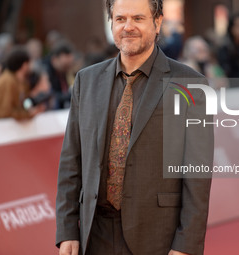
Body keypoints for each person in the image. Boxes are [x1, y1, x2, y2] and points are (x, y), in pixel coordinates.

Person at [56, 0, 213, 255]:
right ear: (112, 23)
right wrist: (66, 232)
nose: (128, 27)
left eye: (138, 19)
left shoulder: (189, 84)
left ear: (158, 21)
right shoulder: (87, 81)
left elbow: (197, 175)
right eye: (120, 19)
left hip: (157, 237)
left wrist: (186, 246)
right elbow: (71, 163)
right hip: (94, 236)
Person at [0, 47, 44, 120]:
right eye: (30, 63)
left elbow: (24, 102)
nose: (31, 66)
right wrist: (27, 114)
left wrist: (32, 108)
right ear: (24, 65)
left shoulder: (23, 82)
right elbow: (1, 112)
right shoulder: (7, 81)